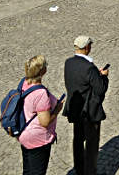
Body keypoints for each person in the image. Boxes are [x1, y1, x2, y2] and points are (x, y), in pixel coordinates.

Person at [64, 35, 109, 175]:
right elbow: (100, 89)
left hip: (75, 109)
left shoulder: (68, 63)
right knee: (91, 144)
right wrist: (103, 76)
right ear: (87, 47)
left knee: (77, 140)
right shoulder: (89, 68)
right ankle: (90, 171)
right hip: (89, 111)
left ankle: (79, 168)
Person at [18, 55, 63, 175]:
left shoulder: (24, 83)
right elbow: (45, 122)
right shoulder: (41, 93)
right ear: (43, 71)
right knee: (38, 172)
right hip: (38, 140)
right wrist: (57, 109)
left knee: (27, 171)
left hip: (24, 133)